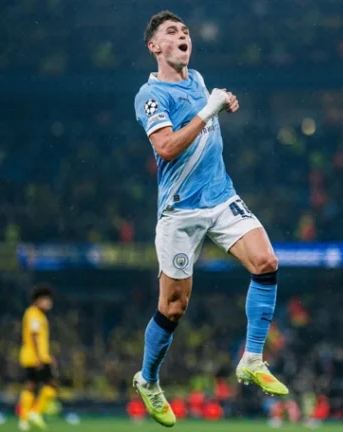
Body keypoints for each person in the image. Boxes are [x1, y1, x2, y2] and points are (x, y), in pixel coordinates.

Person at [132, 9, 288, 428]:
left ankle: (252, 358)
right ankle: (148, 380)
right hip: (180, 210)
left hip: (221, 198)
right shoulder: (150, 96)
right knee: (174, 307)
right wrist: (211, 110)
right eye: (172, 32)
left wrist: (223, 105)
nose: (183, 35)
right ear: (155, 47)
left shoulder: (198, 81)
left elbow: (209, 117)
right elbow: (165, 148)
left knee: (267, 262)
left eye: (185, 31)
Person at [17, 284, 58, 431]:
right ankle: (35, 412)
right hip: (36, 357)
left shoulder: (35, 314)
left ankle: (24, 420)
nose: (49, 303)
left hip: (32, 356)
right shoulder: (34, 314)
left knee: (30, 386)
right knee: (51, 385)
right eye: (46, 300)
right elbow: (34, 336)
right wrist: (40, 358)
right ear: (37, 300)